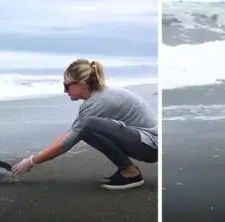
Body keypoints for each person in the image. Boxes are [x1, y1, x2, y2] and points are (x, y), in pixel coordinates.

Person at [11, 59, 158, 190]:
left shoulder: (100, 101)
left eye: (66, 85)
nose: (64, 90)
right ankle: (128, 170)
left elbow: (66, 144)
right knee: (85, 129)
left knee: (87, 125)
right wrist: (37, 155)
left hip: (151, 146)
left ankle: (131, 173)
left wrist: (31, 162)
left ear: (81, 84)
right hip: (142, 142)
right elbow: (72, 132)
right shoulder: (97, 98)